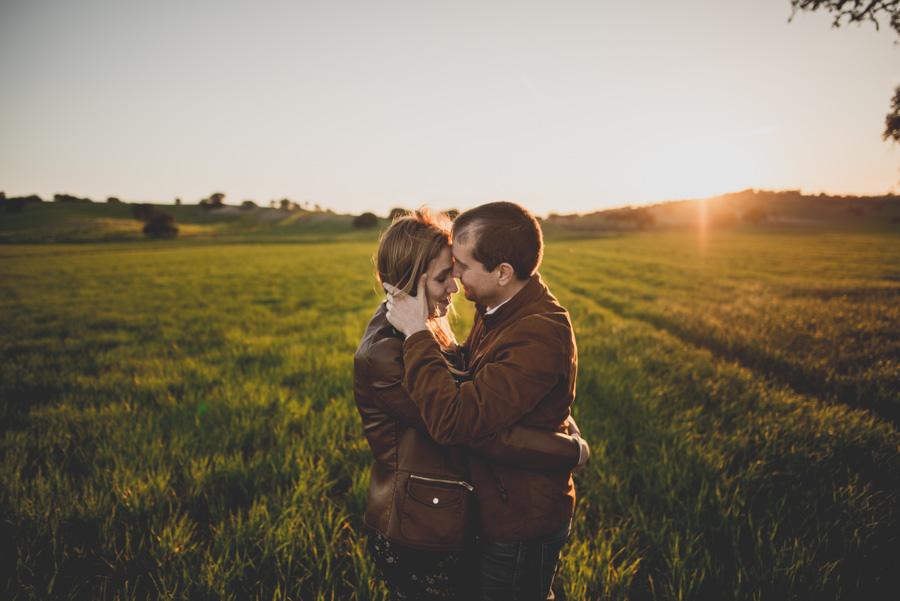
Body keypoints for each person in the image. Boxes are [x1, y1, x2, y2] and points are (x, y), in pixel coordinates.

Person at [354, 208, 589, 600]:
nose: (456, 282)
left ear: (503, 273)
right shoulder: (391, 352)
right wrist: (566, 450)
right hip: (421, 525)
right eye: (446, 273)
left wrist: (564, 428)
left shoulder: (515, 322)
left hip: (506, 514)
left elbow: (475, 402)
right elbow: (462, 424)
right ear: (410, 282)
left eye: (460, 268)